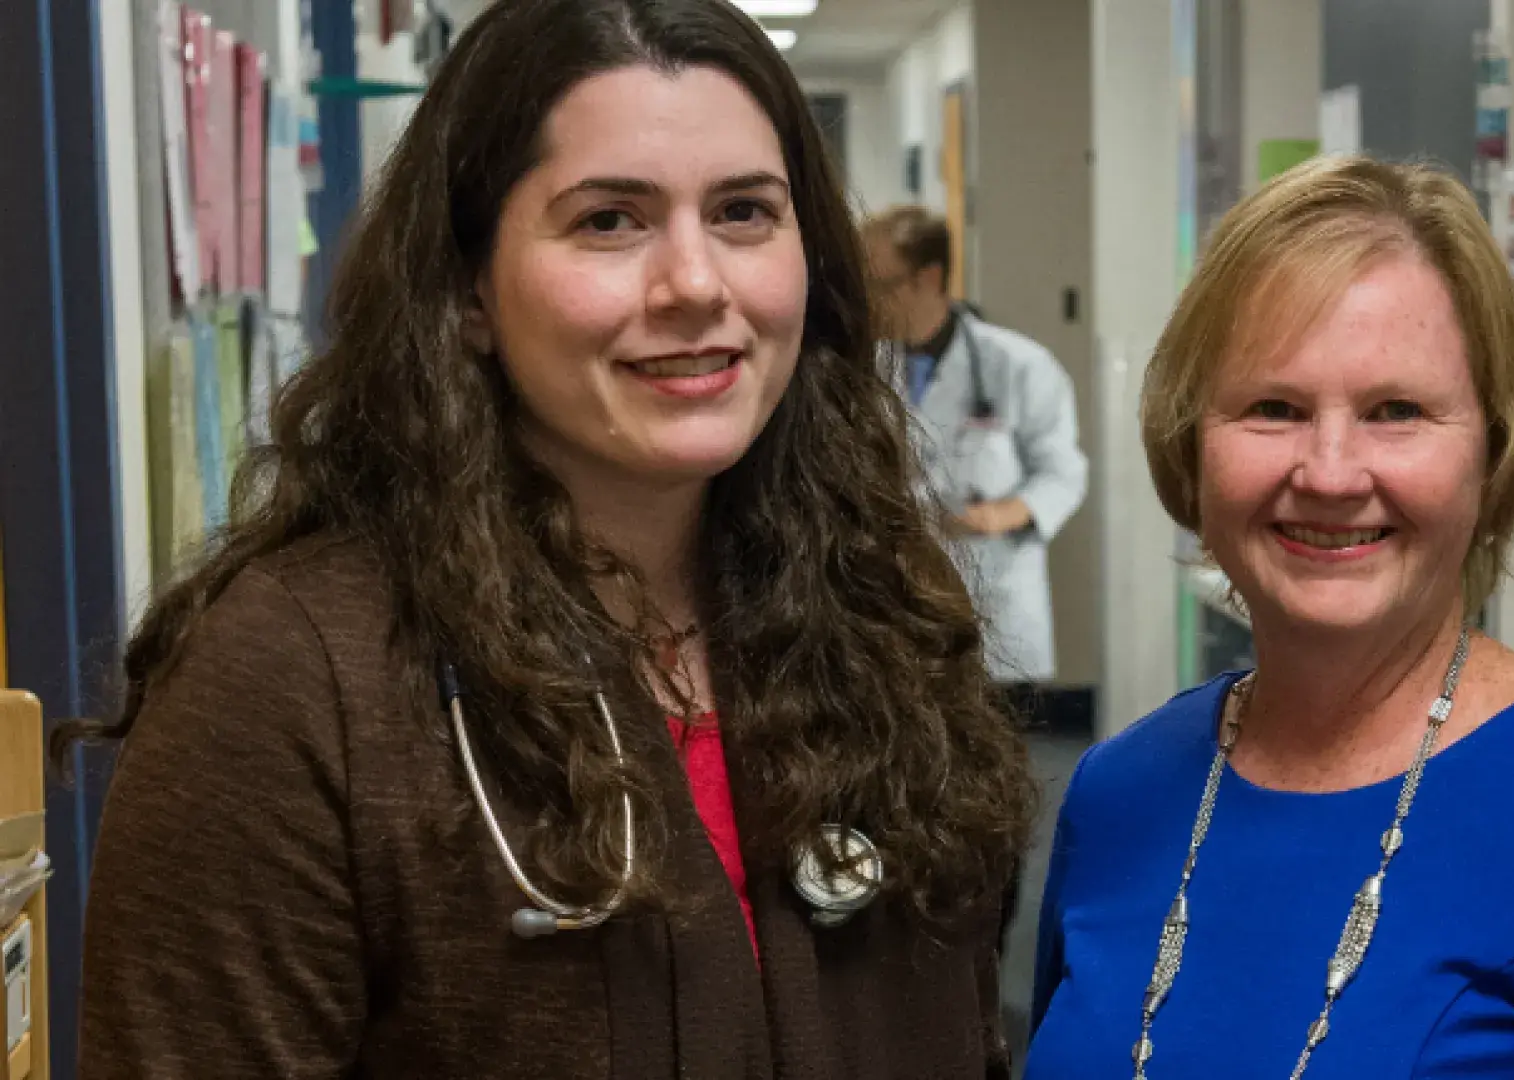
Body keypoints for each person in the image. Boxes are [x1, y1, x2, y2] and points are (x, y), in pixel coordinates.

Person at [65, 2, 1031, 1076]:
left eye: (745, 212)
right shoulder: (291, 683)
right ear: (468, 291)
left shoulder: (887, 623)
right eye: (609, 221)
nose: (697, 284)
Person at [1025, 156, 1514, 1078]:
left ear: (1493, 453)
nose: (1331, 472)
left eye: (1397, 411)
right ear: (1191, 443)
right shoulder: (1117, 792)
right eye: (1273, 408)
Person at [861, 206, 1088, 692]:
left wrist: (1007, 512)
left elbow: (1063, 471)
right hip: (895, 594)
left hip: (992, 585)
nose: (870, 302)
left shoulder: (1017, 364)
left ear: (929, 278)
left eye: (882, 285)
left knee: (993, 746)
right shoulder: (865, 368)